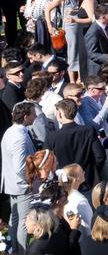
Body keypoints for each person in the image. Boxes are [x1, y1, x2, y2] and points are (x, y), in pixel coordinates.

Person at [4, 101, 38, 250]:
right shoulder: (19, 137)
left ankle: (15, 250)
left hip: (14, 184)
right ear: (25, 116)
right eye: (33, 113)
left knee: (16, 219)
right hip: (22, 186)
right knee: (24, 222)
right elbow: (20, 167)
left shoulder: (11, 131)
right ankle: (21, 251)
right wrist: (30, 181)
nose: (36, 116)